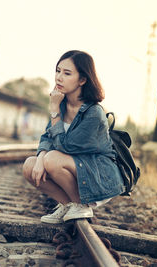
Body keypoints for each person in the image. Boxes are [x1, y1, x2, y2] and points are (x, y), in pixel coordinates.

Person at [22, 50, 125, 224]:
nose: (58, 77)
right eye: (58, 71)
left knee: (52, 159)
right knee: (29, 166)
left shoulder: (94, 112)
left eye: (67, 73)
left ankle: (81, 206)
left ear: (82, 80)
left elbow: (65, 147)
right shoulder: (62, 104)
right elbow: (47, 137)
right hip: (75, 168)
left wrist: (54, 111)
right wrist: (40, 158)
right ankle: (67, 205)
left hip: (97, 173)